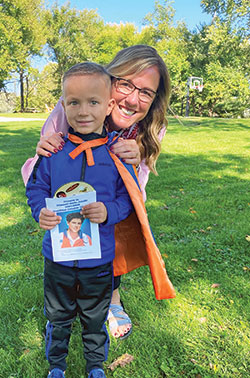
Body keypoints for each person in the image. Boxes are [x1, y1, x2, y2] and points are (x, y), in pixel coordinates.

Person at [22, 44, 172, 340]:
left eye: (145, 92)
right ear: (109, 79)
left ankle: (111, 299)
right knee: (70, 240)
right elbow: (42, 170)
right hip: (71, 192)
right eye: (125, 84)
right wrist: (44, 149)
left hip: (111, 196)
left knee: (110, 231)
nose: (132, 98)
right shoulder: (75, 106)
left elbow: (135, 195)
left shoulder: (151, 127)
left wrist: (136, 155)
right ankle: (63, 300)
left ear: (154, 99)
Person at [26, 62, 134, 378]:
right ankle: (56, 366)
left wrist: (108, 212)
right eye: (74, 102)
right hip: (57, 259)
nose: (83, 111)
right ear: (63, 105)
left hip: (98, 261)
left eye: (93, 102)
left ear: (109, 106)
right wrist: (40, 212)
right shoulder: (54, 152)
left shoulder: (116, 155)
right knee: (58, 317)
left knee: (94, 319)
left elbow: (128, 199)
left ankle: (95, 366)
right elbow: (36, 188)